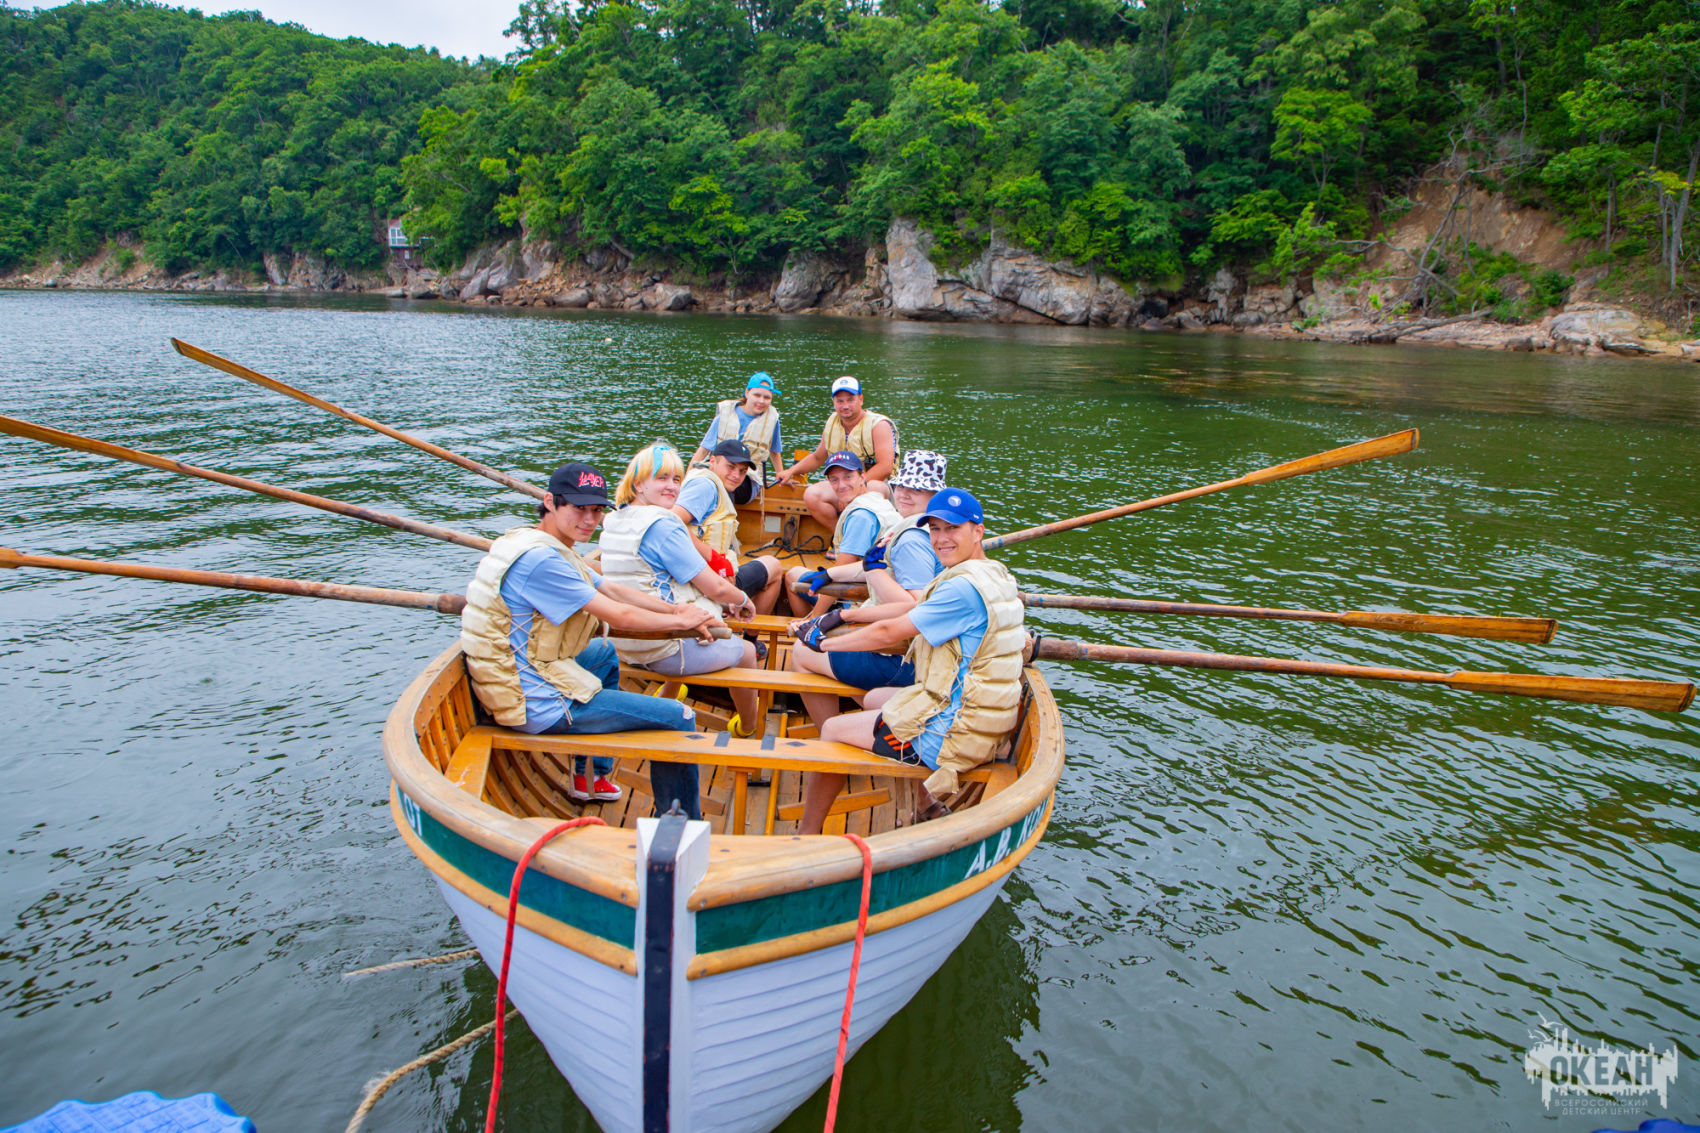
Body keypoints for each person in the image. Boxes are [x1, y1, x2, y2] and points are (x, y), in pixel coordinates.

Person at [459, 461, 710, 816]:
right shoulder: (542, 561)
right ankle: (681, 826)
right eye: (579, 508)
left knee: (604, 652)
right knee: (678, 716)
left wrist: (674, 613)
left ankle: (591, 775)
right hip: (534, 701)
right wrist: (680, 618)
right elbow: (618, 614)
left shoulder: (536, 542)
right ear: (550, 501)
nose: (589, 520)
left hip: (520, 674)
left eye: (596, 510)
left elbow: (612, 588)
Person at [794, 488, 1026, 835]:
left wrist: (824, 644)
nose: (941, 539)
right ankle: (923, 801)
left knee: (833, 731)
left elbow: (889, 632)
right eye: (935, 529)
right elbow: (914, 610)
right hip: (984, 714)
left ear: (978, 532)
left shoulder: (960, 588)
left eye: (952, 529)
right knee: (874, 698)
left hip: (955, 731)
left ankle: (806, 833)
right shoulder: (994, 574)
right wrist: (845, 619)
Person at [599, 442, 766, 736]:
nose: (672, 487)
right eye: (661, 478)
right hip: (661, 647)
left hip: (621, 643)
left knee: (698, 615)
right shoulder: (663, 525)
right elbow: (714, 586)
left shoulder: (614, 520)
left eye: (676, 479)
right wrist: (742, 599)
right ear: (638, 484)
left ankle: (666, 698)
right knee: (748, 652)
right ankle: (748, 727)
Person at [784, 450, 948, 730]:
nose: (907, 494)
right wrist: (827, 575)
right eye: (903, 486)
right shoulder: (916, 526)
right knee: (822, 642)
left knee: (800, 652)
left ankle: (832, 730)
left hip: (906, 657)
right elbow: (871, 567)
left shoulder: (911, 540)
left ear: (933, 496)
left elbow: (915, 606)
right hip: (905, 645)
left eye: (918, 489)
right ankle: (856, 717)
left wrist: (848, 615)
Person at [783, 450, 902, 618]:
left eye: (848, 477)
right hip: (885, 588)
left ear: (862, 478)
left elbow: (839, 574)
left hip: (863, 599)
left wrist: (811, 619)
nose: (841, 485)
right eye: (834, 479)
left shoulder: (861, 516)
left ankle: (809, 631)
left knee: (792, 576)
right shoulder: (877, 500)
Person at [673, 439, 785, 615]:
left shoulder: (709, 483)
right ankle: (752, 639)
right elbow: (671, 523)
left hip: (702, 575)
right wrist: (716, 560)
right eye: (730, 467)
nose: (736, 475)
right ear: (712, 461)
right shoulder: (705, 486)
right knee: (775, 567)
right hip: (705, 581)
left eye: (742, 471)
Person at [771, 376, 899, 529]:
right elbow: (818, 457)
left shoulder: (878, 425)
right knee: (811, 495)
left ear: (861, 399)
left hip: (874, 484)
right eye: (840, 401)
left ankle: (870, 539)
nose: (845, 406)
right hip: (844, 483)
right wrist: (790, 471)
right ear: (834, 402)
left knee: (874, 489)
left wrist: (853, 489)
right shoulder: (832, 423)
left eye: (850, 400)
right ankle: (841, 537)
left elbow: (885, 467)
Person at [690, 372, 783, 504]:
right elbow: (703, 450)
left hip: (748, 478)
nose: (761, 401)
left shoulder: (772, 420)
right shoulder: (725, 414)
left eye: (767, 397)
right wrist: (687, 477)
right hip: (719, 471)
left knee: (726, 483)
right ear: (747, 393)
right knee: (700, 480)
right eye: (757, 395)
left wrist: (781, 474)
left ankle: (723, 519)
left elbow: (775, 452)